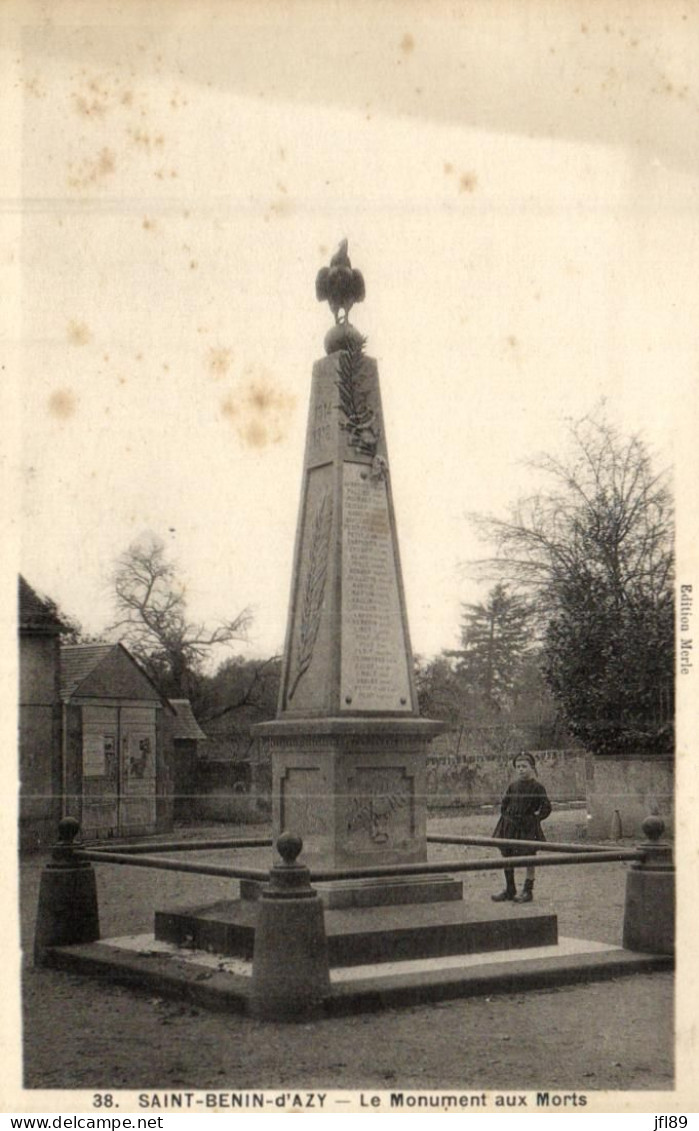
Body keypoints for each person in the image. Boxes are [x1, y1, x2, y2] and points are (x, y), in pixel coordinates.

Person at [491, 752, 552, 903]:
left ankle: (527, 890)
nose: (521, 769)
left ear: (532, 767)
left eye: (524, 766)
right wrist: (507, 819)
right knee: (507, 855)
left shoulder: (537, 787)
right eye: (518, 767)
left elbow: (546, 808)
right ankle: (510, 889)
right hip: (510, 825)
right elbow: (504, 804)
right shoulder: (513, 786)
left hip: (527, 827)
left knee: (529, 857)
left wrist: (535, 819)